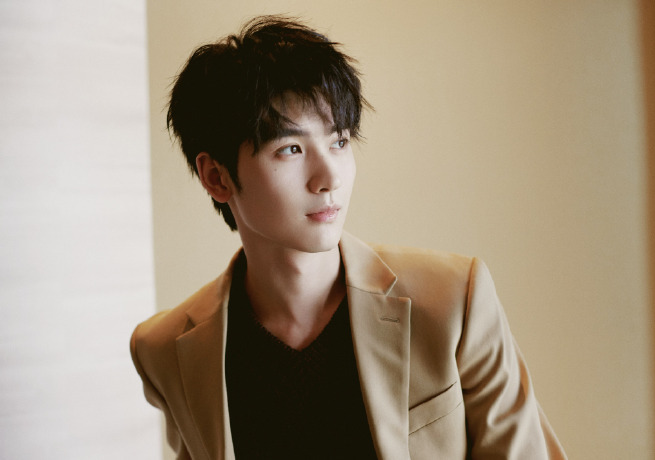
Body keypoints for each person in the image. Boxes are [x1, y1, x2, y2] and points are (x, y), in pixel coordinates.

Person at [130, 15, 566, 460]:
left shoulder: (453, 301)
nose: (329, 178)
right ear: (216, 177)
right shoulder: (165, 351)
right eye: (291, 149)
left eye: (339, 141)